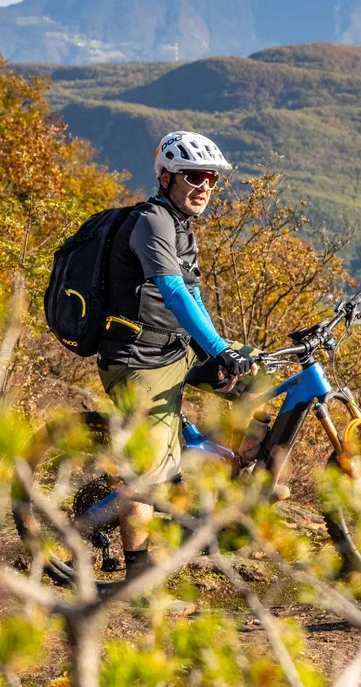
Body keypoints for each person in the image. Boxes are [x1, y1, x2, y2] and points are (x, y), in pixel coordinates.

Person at [97, 130, 266, 602]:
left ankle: (218, 507)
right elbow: (171, 291)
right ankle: (136, 579)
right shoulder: (152, 223)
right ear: (167, 177)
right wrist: (215, 347)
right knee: (147, 473)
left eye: (210, 178)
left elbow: (192, 297)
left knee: (263, 377)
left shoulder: (182, 225)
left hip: (175, 348)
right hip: (139, 358)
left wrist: (221, 349)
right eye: (194, 175)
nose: (205, 185)